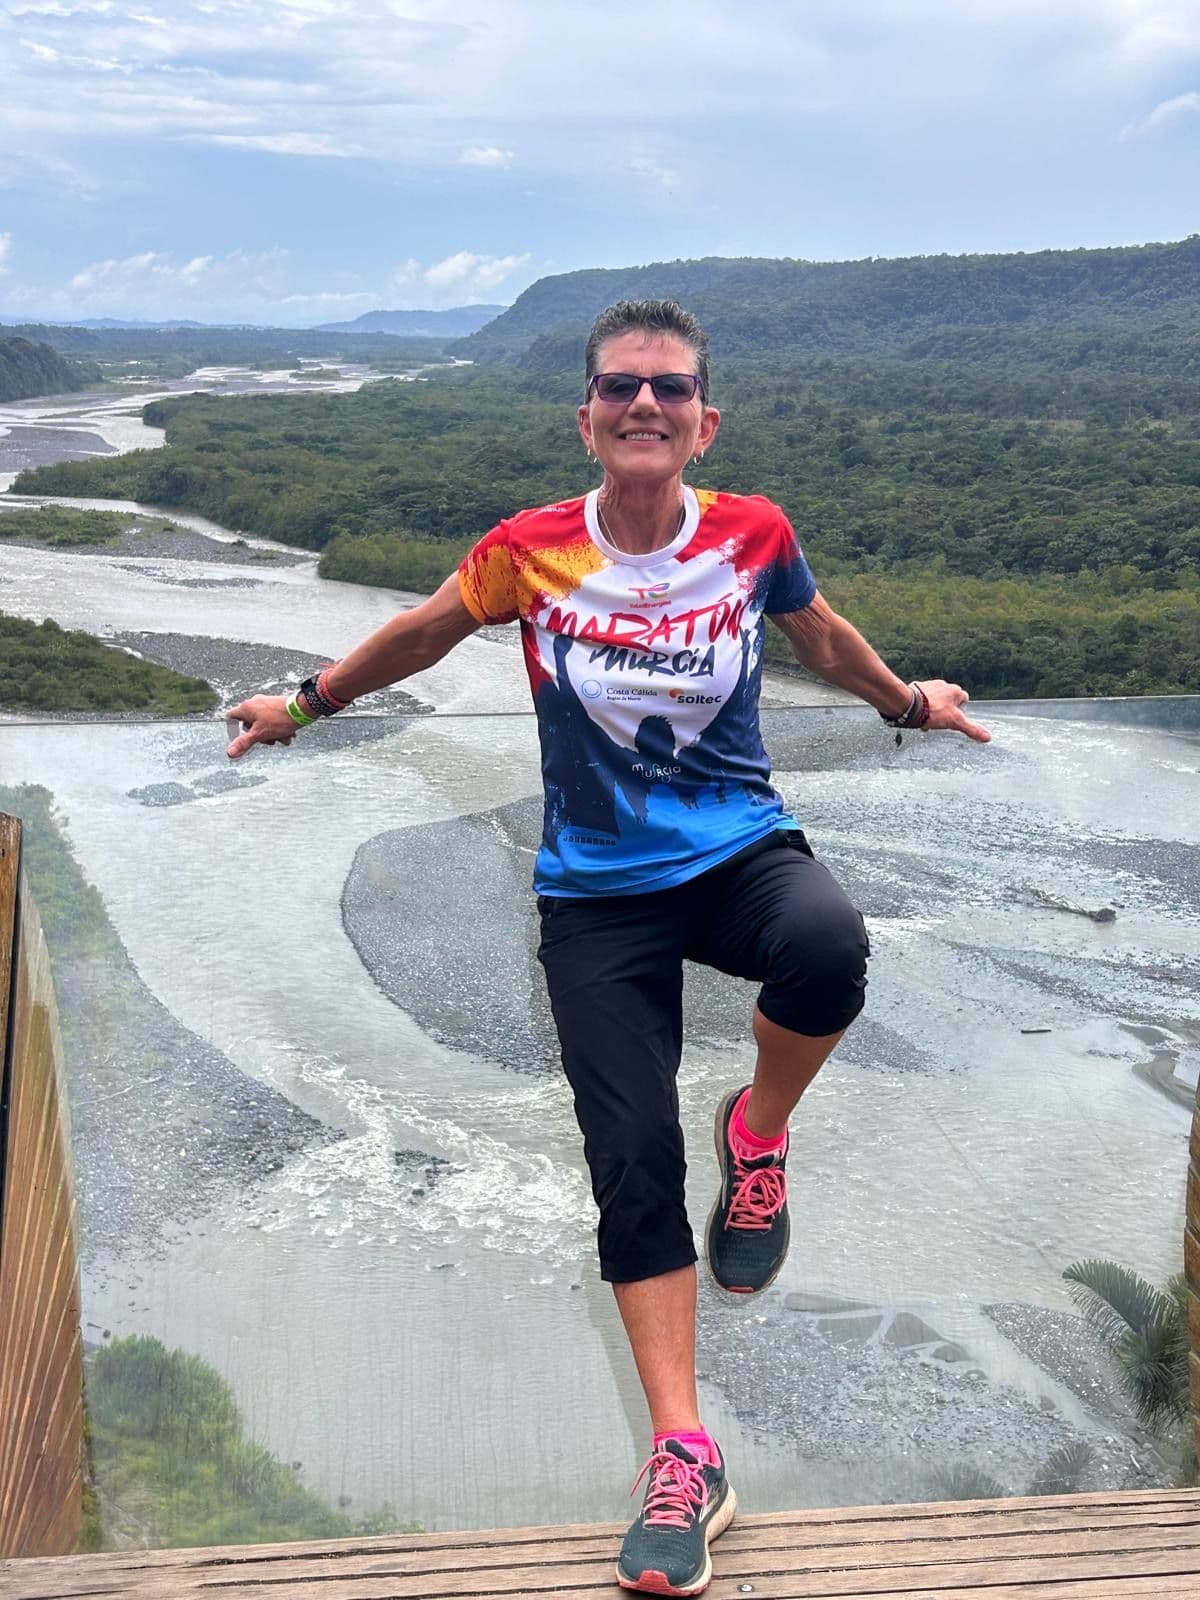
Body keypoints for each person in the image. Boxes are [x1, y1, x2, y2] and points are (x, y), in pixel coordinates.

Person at [227, 299, 990, 1597]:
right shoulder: (529, 552)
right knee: (629, 1160)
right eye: (621, 388)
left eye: (670, 388)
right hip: (595, 895)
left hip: (741, 850)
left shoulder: (752, 535)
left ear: (705, 418)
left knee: (830, 948)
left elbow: (821, 638)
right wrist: (308, 702)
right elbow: (424, 627)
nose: (646, 405)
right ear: (586, 416)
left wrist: (905, 701)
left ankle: (759, 1137)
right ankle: (687, 1457)